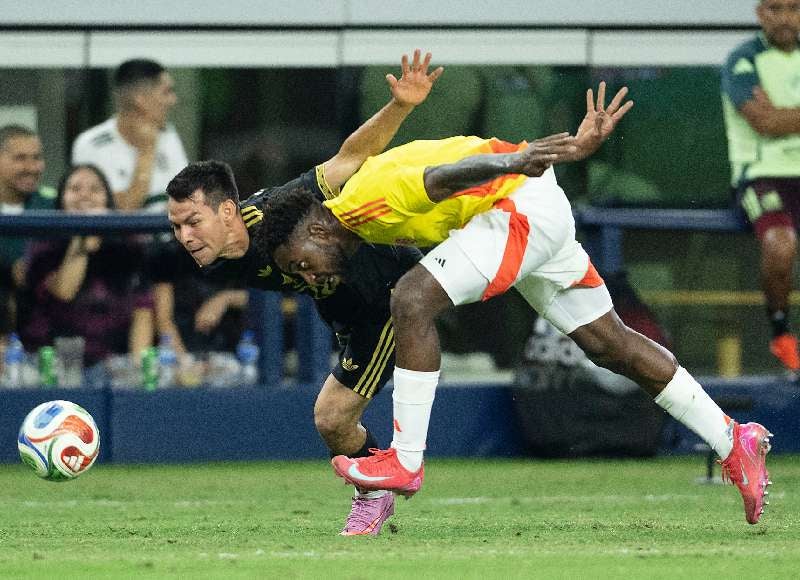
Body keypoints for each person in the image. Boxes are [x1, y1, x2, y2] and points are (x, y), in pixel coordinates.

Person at [260, 82, 774, 525]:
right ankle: (734, 440)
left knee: (411, 300)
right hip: (530, 205)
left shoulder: (361, 200)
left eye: (301, 261)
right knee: (609, 344)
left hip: (517, 203)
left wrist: (516, 160)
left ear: (317, 226)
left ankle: (406, 461)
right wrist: (550, 154)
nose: (309, 274)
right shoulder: (356, 225)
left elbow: (444, 176)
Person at [166, 50, 442, 535]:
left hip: (386, 300)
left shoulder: (281, 210)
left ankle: (375, 492)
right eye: (175, 226)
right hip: (346, 316)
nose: (185, 236)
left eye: (193, 222)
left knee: (331, 415)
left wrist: (402, 105)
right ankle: (377, 483)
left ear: (228, 211)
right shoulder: (210, 261)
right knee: (333, 423)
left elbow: (351, 158)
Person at [721, 0, 800, 373]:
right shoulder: (743, 61)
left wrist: (784, 115)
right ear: (759, 13)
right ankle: (781, 332)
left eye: (793, 8)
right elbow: (764, 122)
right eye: (775, 8)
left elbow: (776, 118)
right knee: (780, 245)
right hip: (761, 174)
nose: (785, 18)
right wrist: (774, 118)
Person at [20, 164, 154, 371]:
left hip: (113, 364)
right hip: (52, 363)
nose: (85, 196)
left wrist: (139, 372)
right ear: (61, 200)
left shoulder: (128, 245)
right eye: (75, 189)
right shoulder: (44, 243)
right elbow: (64, 293)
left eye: (95, 189)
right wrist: (81, 240)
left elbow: (142, 311)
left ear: (107, 201)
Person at [72, 58, 187, 212]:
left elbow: (187, 201)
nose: (173, 100)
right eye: (166, 92)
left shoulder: (169, 137)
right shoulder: (91, 144)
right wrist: (146, 151)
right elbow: (122, 210)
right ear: (141, 99)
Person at [0, 125, 56, 349]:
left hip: (45, 316)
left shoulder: (53, 205)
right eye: (20, 158)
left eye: (36, 158)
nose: (31, 167)